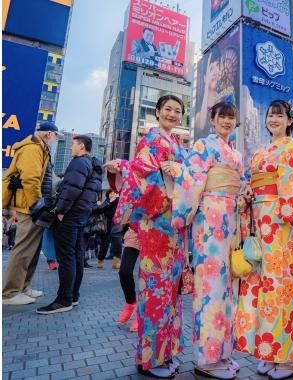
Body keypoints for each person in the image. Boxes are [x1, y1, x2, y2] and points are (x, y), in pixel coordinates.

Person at [104, 95, 188, 379]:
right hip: (157, 220)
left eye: (178, 111)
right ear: (157, 112)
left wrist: (182, 176)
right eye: (168, 110)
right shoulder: (150, 140)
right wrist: (169, 182)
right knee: (155, 288)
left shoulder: (177, 144)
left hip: (174, 223)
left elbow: (187, 178)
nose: (173, 114)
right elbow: (141, 175)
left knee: (170, 291)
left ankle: (165, 353)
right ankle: (149, 359)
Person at [234, 100, 293, 380]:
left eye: (280, 115)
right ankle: (270, 352)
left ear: (290, 121)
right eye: (271, 115)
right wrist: (246, 197)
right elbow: (250, 182)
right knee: (262, 286)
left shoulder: (292, 149)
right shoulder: (260, 153)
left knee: (281, 285)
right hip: (260, 221)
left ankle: (291, 358)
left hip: (280, 222)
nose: (274, 119)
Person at [168, 101, 243, 379]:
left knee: (227, 289)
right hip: (210, 220)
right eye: (222, 116)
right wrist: (183, 215)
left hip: (231, 220)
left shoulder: (235, 154)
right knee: (210, 287)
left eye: (231, 117)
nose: (226, 121)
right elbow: (191, 180)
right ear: (213, 120)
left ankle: (223, 353)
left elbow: (242, 184)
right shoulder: (202, 146)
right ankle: (206, 359)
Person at [36, 135, 102, 314]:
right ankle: (73, 296)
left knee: (66, 257)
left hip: (70, 215)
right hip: (81, 215)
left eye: (73, 144)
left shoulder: (79, 163)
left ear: (81, 146)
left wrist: (60, 211)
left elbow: (71, 189)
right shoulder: (93, 166)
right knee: (76, 256)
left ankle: (64, 299)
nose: (70, 147)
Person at [2, 122, 60, 305]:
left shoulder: (40, 148)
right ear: (49, 134)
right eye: (56, 136)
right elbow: (30, 179)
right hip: (29, 207)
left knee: (32, 250)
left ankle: (23, 287)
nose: (56, 140)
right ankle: (10, 293)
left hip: (33, 206)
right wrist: (38, 204)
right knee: (23, 249)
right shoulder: (33, 149)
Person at [117, 225, 140, 332]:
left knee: (148, 278)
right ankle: (130, 303)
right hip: (135, 231)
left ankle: (142, 313)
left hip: (154, 229)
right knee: (124, 272)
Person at [93, 190, 120, 269]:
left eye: (114, 193)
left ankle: (116, 262)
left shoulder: (118, 201)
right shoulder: (107, 202)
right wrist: (109, 202)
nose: (113, 195)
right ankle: (100, 260)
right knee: (104, 245)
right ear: (108, 195)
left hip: (117, 226)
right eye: (111, 193)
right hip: (107, 227)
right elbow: (101, 209)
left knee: (118, 244)